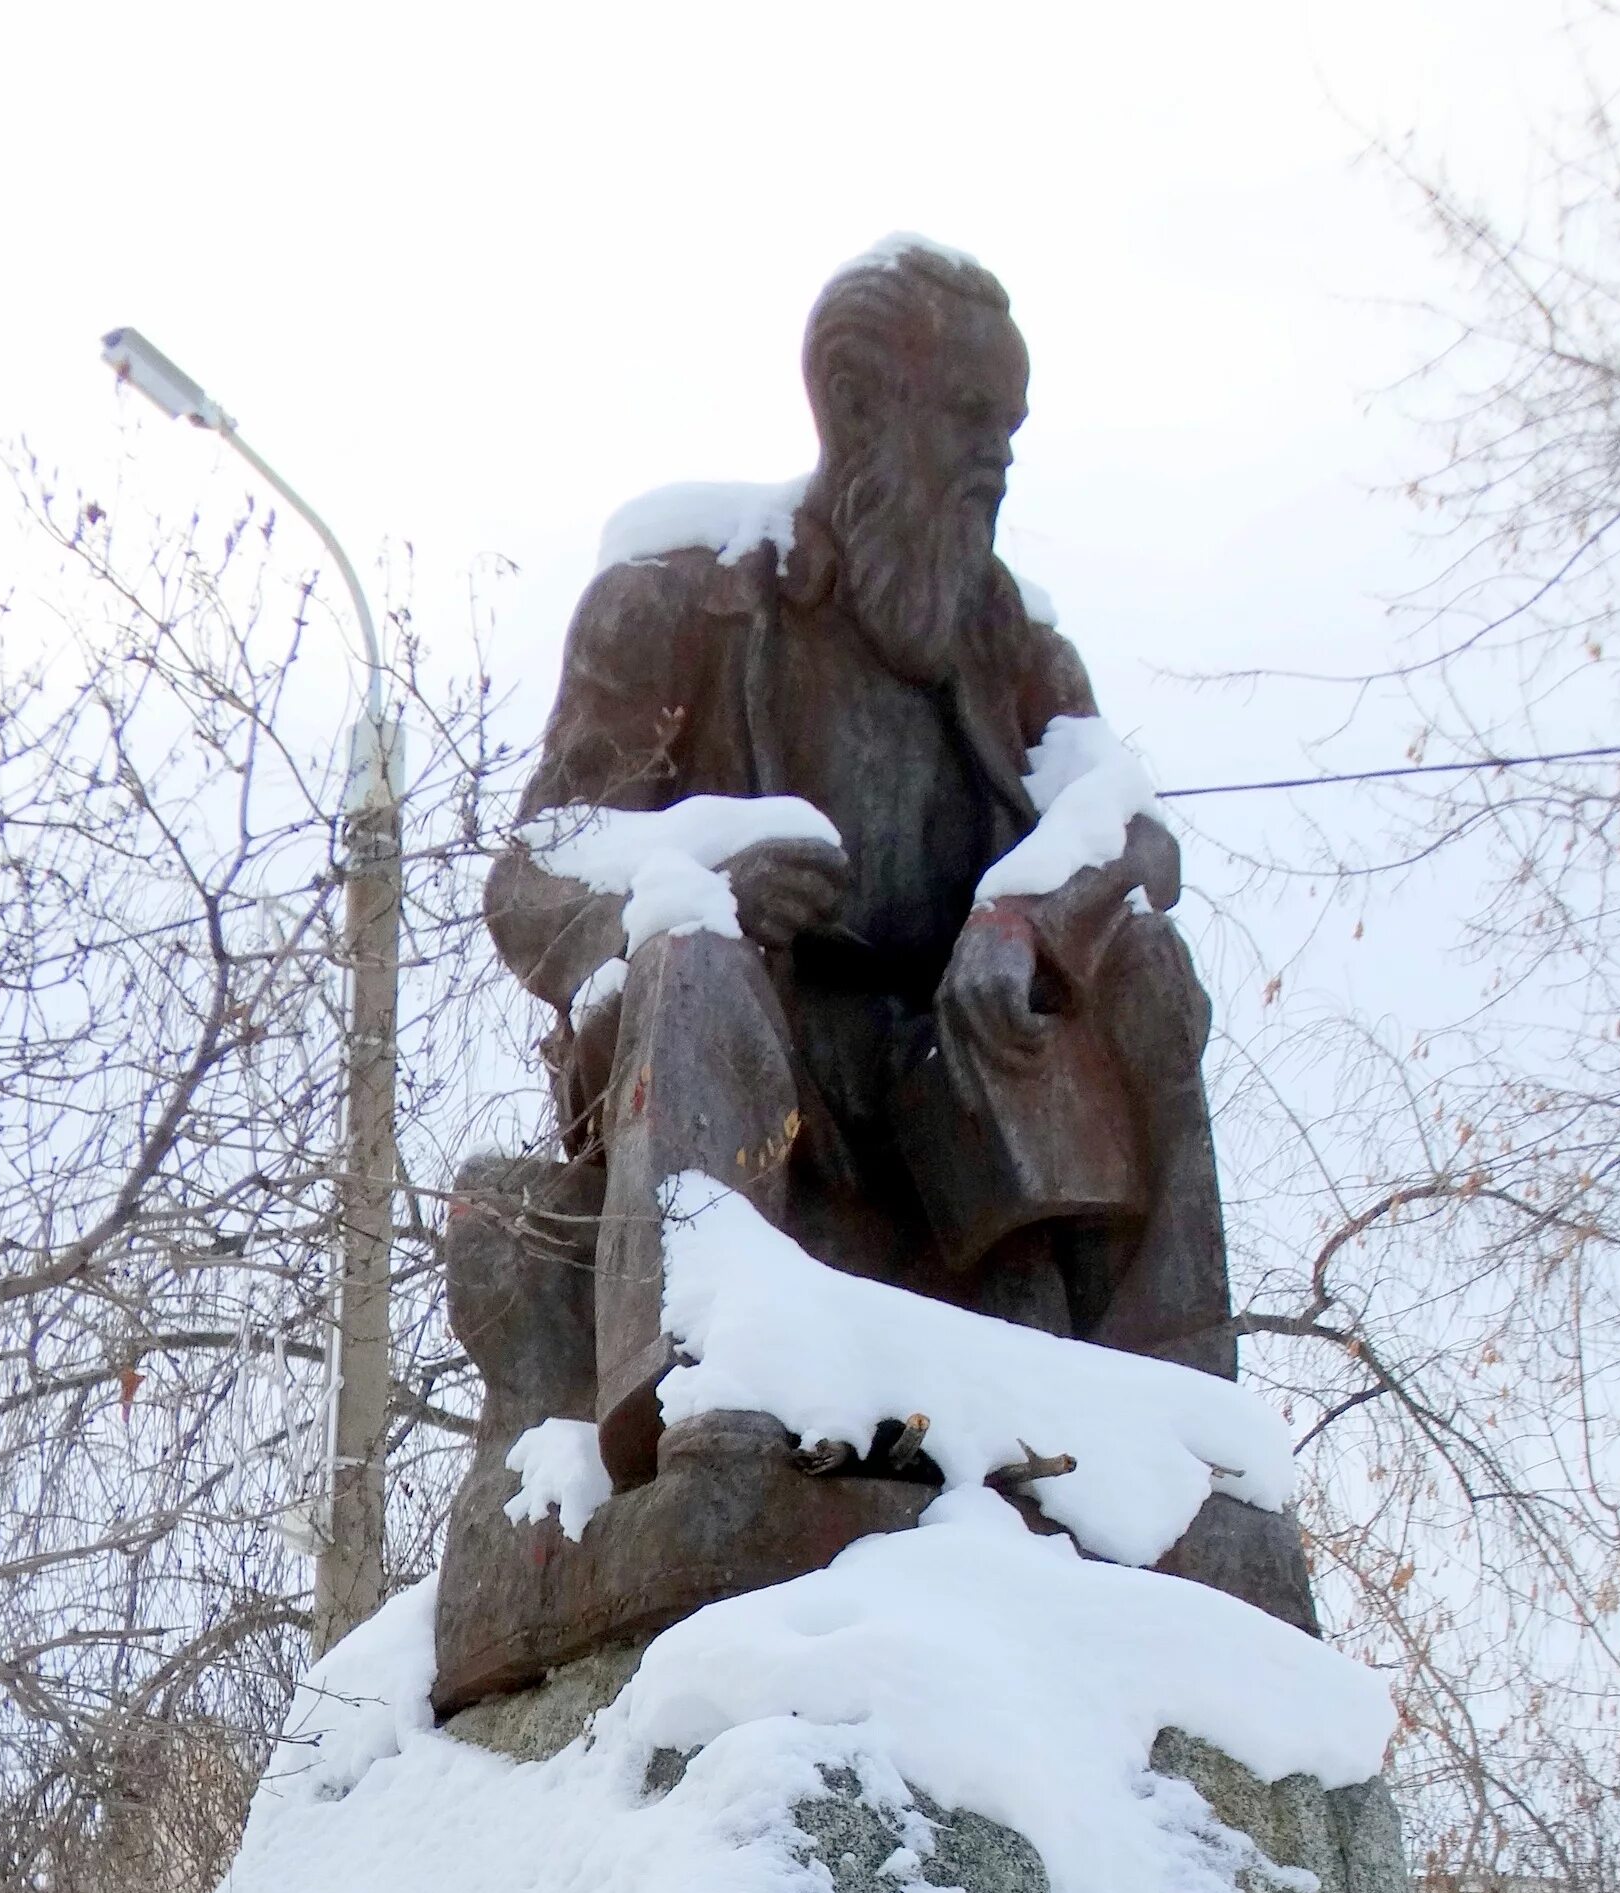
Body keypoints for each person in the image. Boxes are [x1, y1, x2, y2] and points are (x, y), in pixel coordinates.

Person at [482, 238, 1235, 1487]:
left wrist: (1025, 919)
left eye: (1014, 426)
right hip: (743, 1057)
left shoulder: (1007, 638)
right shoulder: (680, 600)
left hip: (948, 1101)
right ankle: (702, 1385)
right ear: (857, 405)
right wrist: (702, 877)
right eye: (971, 417)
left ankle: (1181, 1428)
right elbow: (536, 872)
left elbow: (1126, 826)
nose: (1000, 458)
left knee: (1143, 958)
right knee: (693, 936)